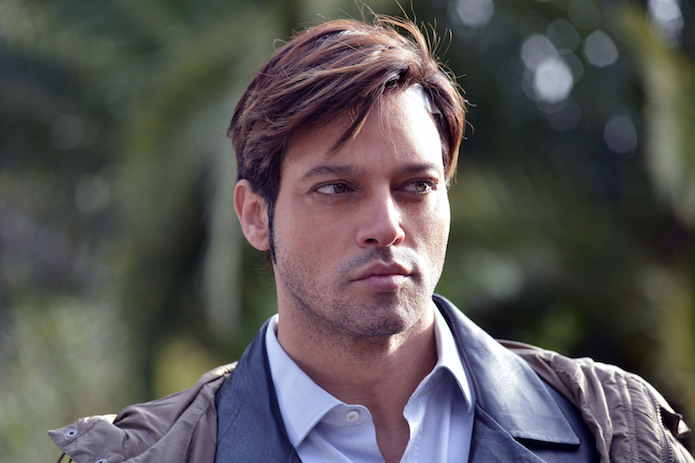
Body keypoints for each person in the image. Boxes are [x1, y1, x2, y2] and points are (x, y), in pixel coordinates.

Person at [49, 15, 693, 463]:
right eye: (336, 188)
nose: (386, 225)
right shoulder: (152, 455)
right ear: (255, 216)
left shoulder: (615, 434)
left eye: (416, 186)